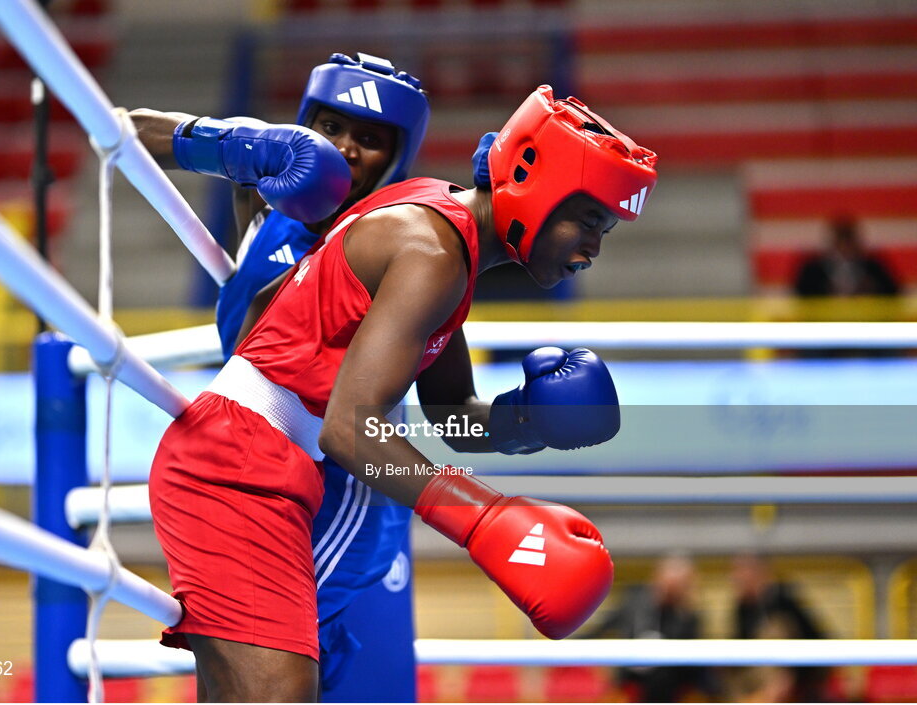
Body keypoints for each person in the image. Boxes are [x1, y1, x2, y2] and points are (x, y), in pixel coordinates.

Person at [149, 84, 658, 701]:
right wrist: (482, 518)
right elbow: (350, 428)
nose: (593, 248)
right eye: (588, 221)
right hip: (238, 466)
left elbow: (452, 417)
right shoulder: (431, 250)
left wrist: (526, 421)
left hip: (260, 466)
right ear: (536, 183)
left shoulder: (447, 238)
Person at [133, 52, 437, 692]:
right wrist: (233, 144)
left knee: (269, 670)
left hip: (344, 483)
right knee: (235, 661)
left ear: (397, 161)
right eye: (330, 128)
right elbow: (122, 129)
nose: (346, 149)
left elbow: (448, 406)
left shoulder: (408, 251)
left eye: (370, 140)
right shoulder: (263, 199)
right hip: (252, 457)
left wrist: (518, 421)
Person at [586, 554, 714, 702]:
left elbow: (691, 652)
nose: (671, 588)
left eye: (680, 584)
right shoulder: (634, 601)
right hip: (633, 669)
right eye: (669, 580)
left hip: (672, 674)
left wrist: (681, 610)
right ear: (658, 577)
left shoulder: (687, 615)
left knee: (669, 677)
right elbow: (605, 625)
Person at [731, 553, 828, 701]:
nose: (735, 577)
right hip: (756, 675)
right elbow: (740, 645)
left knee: (776, 629)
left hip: (794, 673)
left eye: (740, 571)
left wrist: (791, 675)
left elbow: (812, 638)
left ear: (758, 572)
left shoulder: (783, 600)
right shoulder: (742, 607)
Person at [794, 218, 899, 298]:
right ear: (832, 240)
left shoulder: (874, 265)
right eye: (841, 239)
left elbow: (893, 293)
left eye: (848, 239)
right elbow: (800, 295)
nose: (845, 246)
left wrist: (870, 290)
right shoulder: (813, 268)